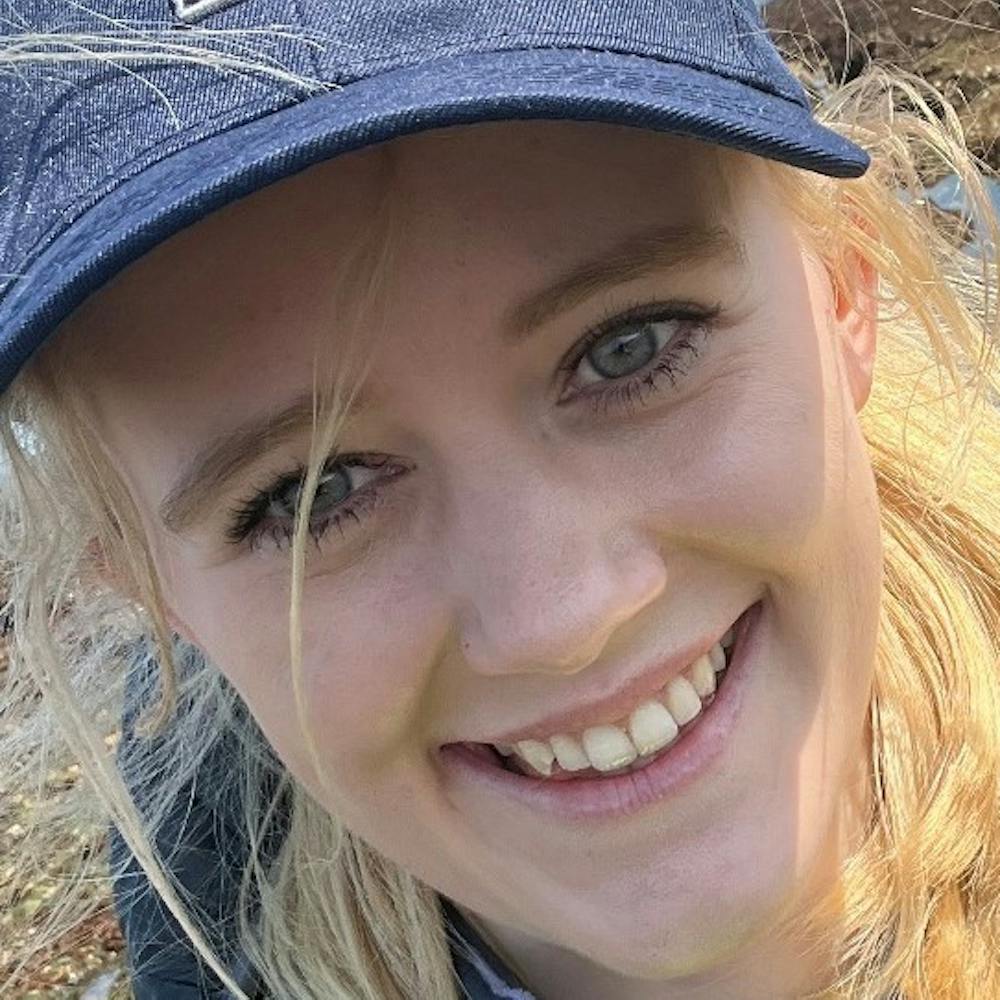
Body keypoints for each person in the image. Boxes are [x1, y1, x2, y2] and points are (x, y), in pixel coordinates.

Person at [0, 2, 997, 998]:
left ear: (843, 282)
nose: (559, 620)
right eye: (312, 495)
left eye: (631, 346)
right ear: (148, 588)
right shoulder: (220, 905)